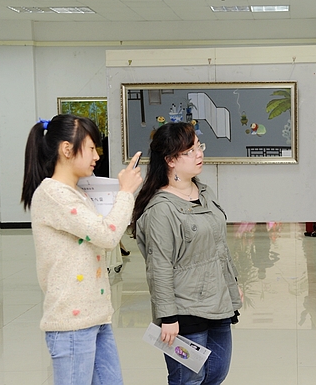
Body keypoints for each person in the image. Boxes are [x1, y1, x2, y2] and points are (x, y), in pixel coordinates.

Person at [21, 114, 143, 384]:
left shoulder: (77, 192)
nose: (96, 156)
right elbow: (107, 235)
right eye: (90, 148)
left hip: (95, 316)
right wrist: (125, 193)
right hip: (72, 323)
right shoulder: (54, 194)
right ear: (67, 149)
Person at [131, 122, 242, 385]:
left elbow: (219, 246)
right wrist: (168, 317)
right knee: (189, 379)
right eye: (190, 151)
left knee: (217, 372)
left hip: (217, 301)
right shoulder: (161, 209)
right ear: (170, 160)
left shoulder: (204, 192)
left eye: (198, 146)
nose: (199, 154)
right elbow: (159, 267)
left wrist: (232, 284)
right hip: (184, 310)